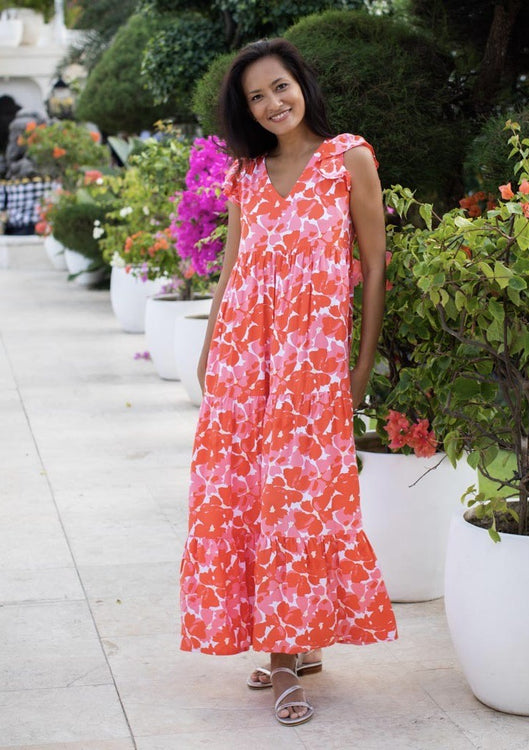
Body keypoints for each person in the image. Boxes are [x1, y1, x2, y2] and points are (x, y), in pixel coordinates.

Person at [180, 38, 398, 727]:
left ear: (301, 83)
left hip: (311, 363)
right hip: (247, 361)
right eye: (256, 96)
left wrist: (362, 364)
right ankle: (287, 647)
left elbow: (374, 268)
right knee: (247, 494)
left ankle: (285, 650)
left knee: (297, 498)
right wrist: (212, 346)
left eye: (281, 87)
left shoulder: (349, 159)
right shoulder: (246, 174)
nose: (273, 103)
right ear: (246, 110)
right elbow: (232, 268)